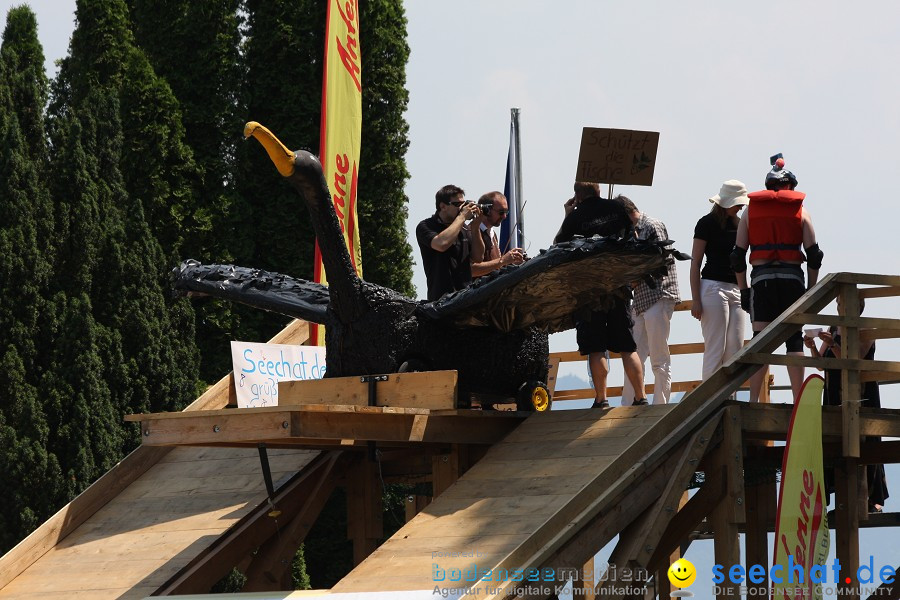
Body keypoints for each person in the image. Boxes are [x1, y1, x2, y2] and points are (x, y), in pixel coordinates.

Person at [731, 154, 823, 402]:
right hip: (792, 281)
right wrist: (811, 290)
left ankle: (752, 401)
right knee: (794, 340)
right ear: (790, 187)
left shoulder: (750, 212)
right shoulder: (800, 210)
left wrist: (744, 290)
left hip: (762, 282)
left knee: (761, 341)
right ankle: (798, 400)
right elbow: (814, 256)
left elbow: (737, 257)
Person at [554, 182, 648, 408]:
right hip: (618, 287)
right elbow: (633, 238)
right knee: (628, 346)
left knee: (596, 348)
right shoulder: (617, 208)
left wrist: (568, 215)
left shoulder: (575, 217)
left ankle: (601, 398)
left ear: (577, 195)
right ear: (598, 190)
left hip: (588, 292)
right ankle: (641, 396)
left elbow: (558, 247)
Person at [804, 297, 888, 512]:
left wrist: (833, 344)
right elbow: (822, 364)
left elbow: (853, 362)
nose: (841, 305)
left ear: (858, 306)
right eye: (840, 302)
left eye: (844, 302)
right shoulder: (834, 327)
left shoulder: (865, 328)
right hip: (834, 389)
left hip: (860, 391)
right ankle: (841, 497)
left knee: (867, 441)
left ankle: (872, 498)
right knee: (835, 441)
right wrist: (813, 346)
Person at [619, 197, 680, 405]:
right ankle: (631, 402)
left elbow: (663, 260)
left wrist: (635, 279)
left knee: (658, 357)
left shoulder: (652, 225)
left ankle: (659, 404)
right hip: (643, 299)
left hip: (658, 295)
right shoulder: (635, 230)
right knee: (635, 353)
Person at [690, 180, 749, 380]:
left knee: (735, 347)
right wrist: (695, 299)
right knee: (716, 348)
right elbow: (695, 263)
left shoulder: (741, 224)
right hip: (713, 287)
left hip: (736, 288)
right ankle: (708, 405)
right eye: (738, 203)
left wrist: (745, 291)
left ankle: (727, 400)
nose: (741, 207)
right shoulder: (706, 223)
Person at [415, 184, 482, 301]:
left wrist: (475, 229)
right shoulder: (426, 226)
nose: (462, 208)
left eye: (463, 203)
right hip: (441, 300)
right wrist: (461, 217)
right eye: (457, 204)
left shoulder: (464, 228)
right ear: (443, 206)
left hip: (465, 296)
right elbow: (441, 244)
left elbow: (478, 257)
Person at [470, 191, 525, 276]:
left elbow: (494, 267)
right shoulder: (470, 232)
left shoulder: (492, 234)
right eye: (501, 212)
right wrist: (502, 260)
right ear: (486, 210)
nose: (504, 217)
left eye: (506, 212)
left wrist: (513, 261)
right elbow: (470, 270)